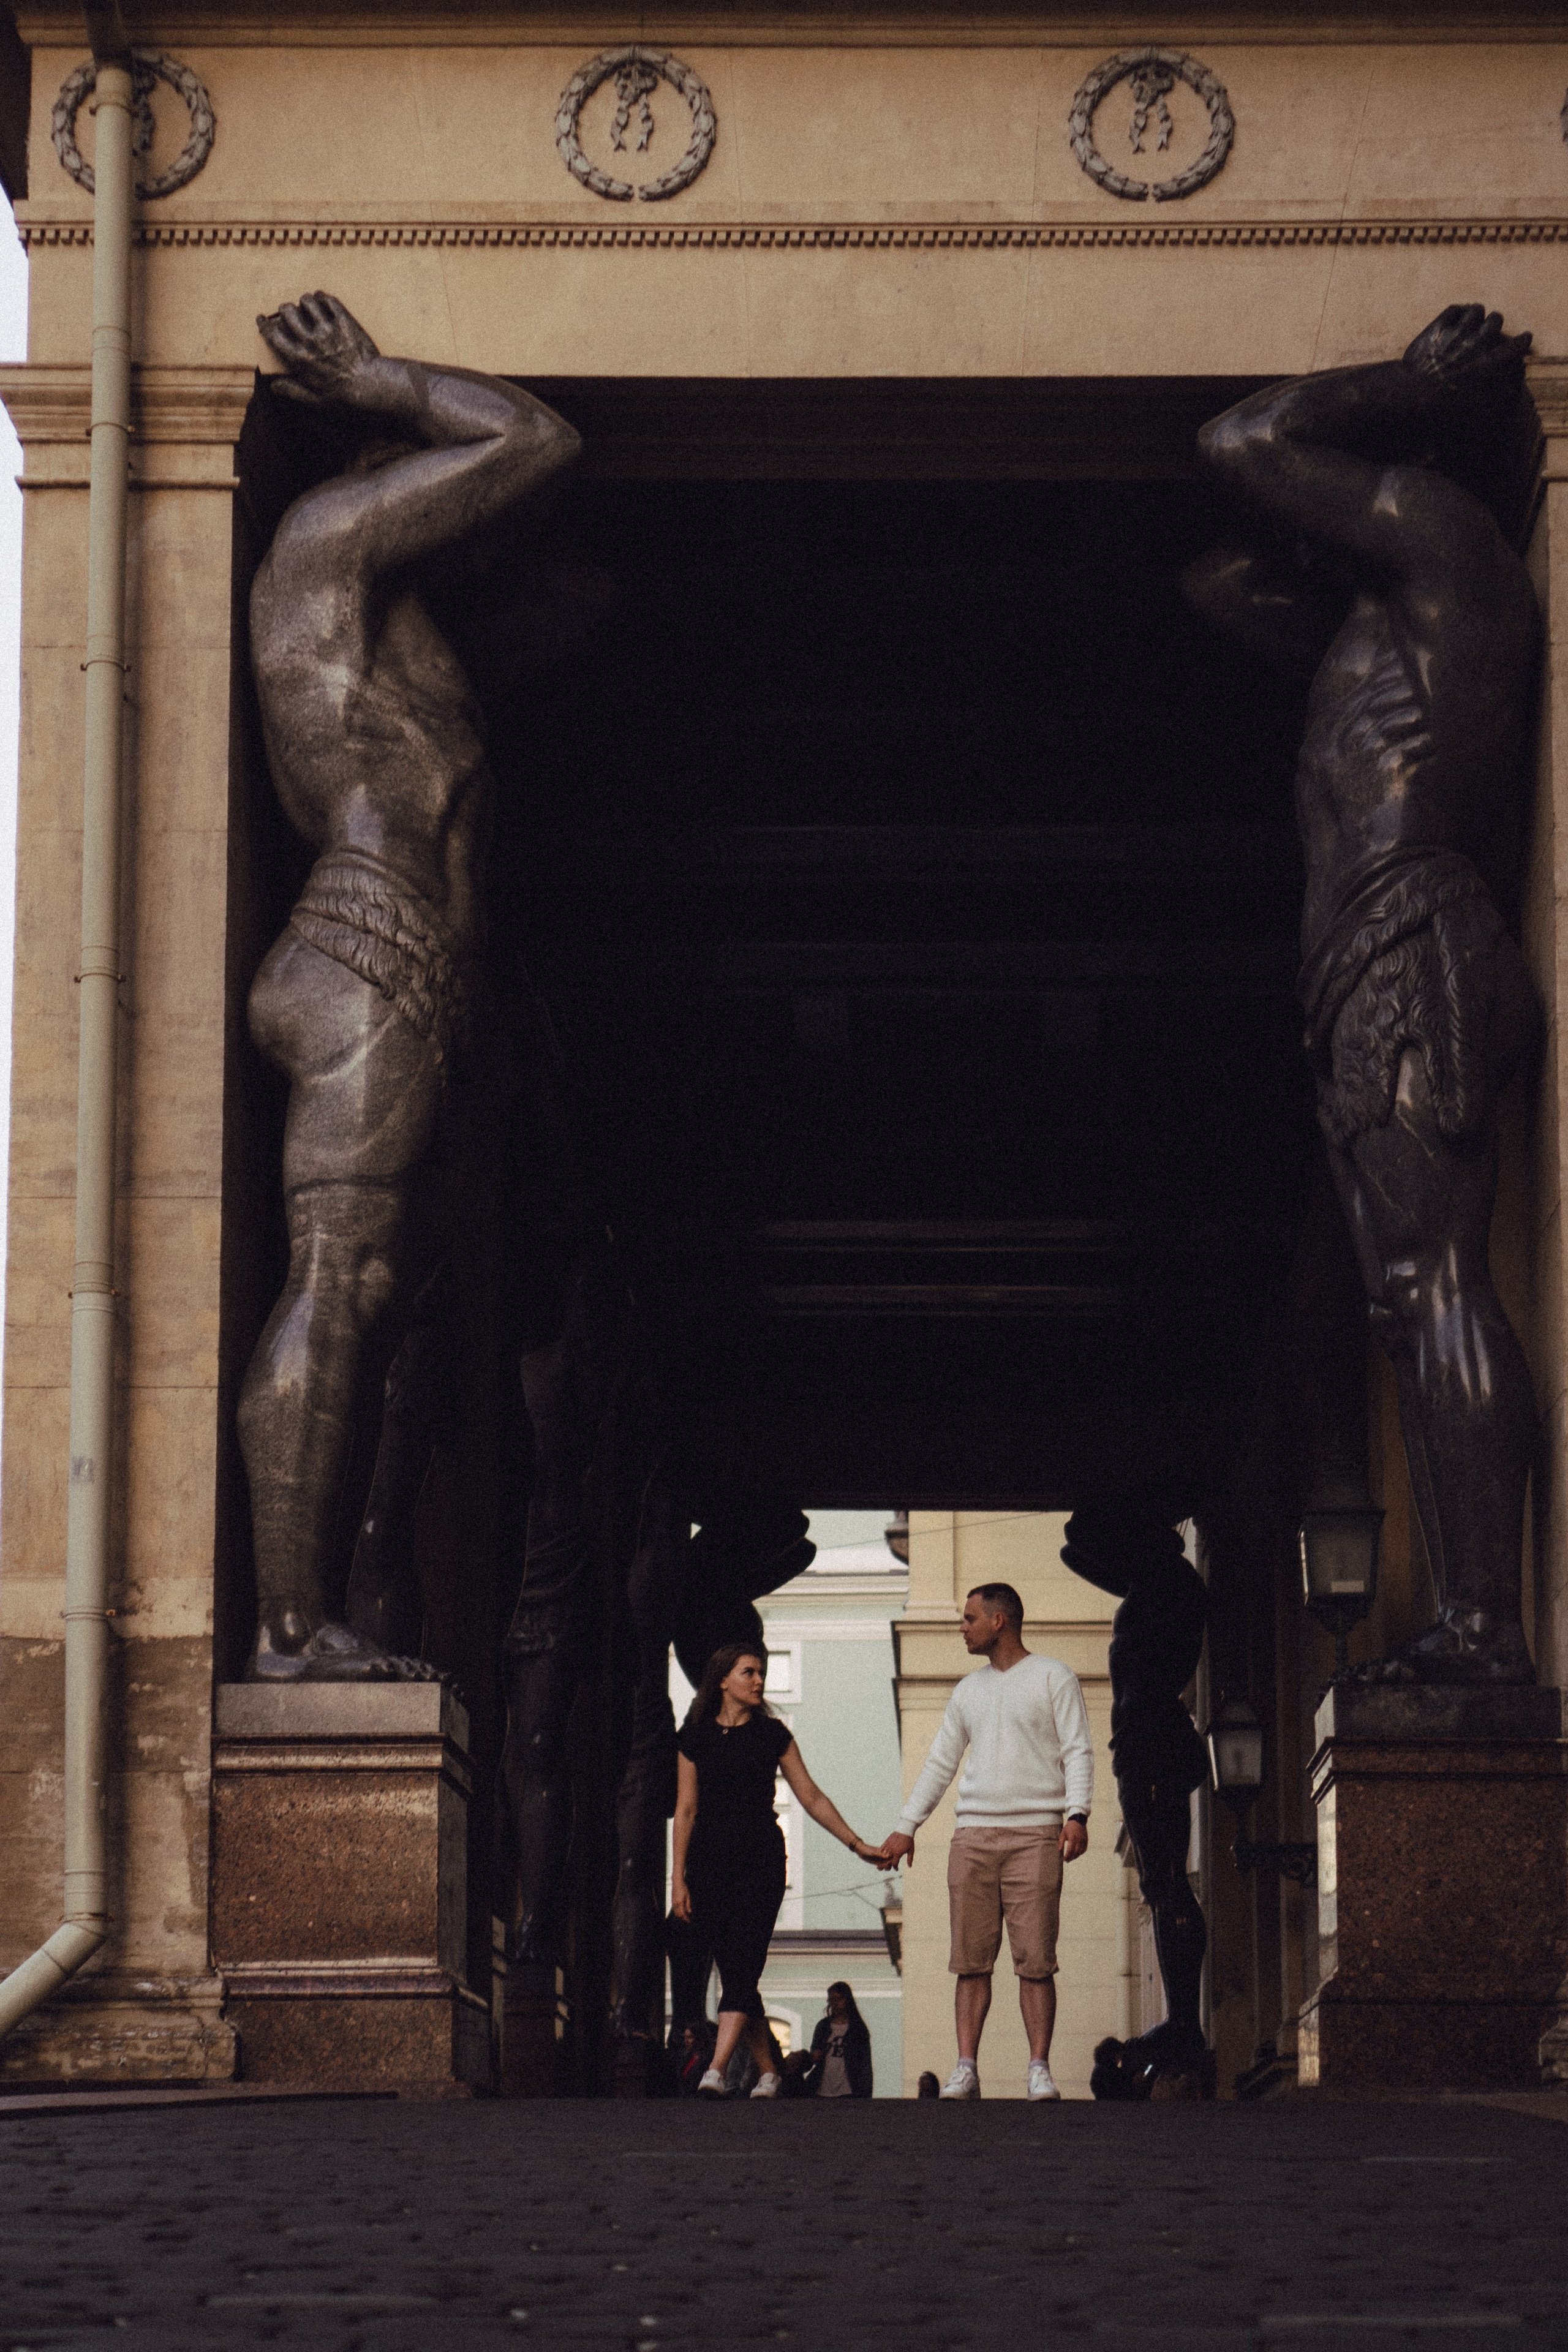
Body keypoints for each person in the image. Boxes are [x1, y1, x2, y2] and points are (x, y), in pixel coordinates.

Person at [1186, 305, 1543, 1687]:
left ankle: (1489, 1630)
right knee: (1406, 1301)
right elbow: (1221, 577)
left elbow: (1243, 440)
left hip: (1411, 943)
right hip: (1363, 969)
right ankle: (1473, 1619)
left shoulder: (1448, 549)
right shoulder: (1375, 618)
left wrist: (1397, 392)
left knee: (1434, 1281)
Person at [240, 291, 582, 1681]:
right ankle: (283, 1628)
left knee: (388, 1316)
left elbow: (573, 590)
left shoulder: (399, 622)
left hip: (406, 969)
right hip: (364, 947)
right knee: (341, 1278)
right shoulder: (329, 537)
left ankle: (314, 1610)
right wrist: (386, 381)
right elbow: (533, 438)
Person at [879, 1583, 1092, 2101]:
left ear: (1000, 1621)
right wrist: (908, 1824)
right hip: (972, 1835)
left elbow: (1078, 1750)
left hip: (1036, 1835)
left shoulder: (1053, 1676)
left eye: (970, 1618)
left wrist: (1077, 1814)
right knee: (970, 1960)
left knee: (1036, 1961)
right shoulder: (967, 1691)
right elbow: (941, 1762)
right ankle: (966, 2067)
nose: (962, 1627)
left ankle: (1038, 2068)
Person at [672, 1643, 889, 2098]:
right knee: (737, 1971)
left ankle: (715, 2069)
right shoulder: (693, 1738)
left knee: (743, 1960)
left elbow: (811, 1797)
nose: (758, 1681)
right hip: (708, 1865)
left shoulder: (773, 1735)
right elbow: (686, 1810)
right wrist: (678, 1879)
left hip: (761, 1861)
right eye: (748, 1672)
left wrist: (856, 1844)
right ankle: (770, 2069)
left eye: (762, 1673)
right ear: (723, 1680)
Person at [805, 1981, 873, 2100]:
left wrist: (866, 2093)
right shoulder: (823, 2026)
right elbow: (814, 2054)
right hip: (822, 2088)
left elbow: (865, 2065)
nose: (835, 2004)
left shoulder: (857, 2029)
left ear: (847, 2000)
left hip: (849, 2090)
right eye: (832, 2000)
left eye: (839, 1999)